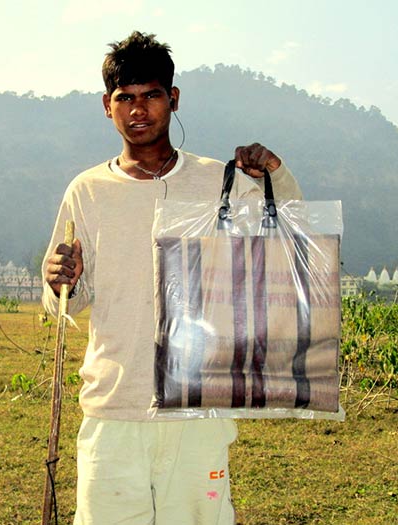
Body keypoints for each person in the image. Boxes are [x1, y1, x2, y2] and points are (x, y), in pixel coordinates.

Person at [42, 31, 303, 524]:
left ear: (173, 98)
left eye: (151, 95)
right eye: (125, 98)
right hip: (114, 407)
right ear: (107, 106)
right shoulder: (88, 190)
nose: (138, 109)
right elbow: (65, 303)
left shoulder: (217, 182)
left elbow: (290, 238)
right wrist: (60, 279)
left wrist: (276, 174)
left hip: (197, 407)